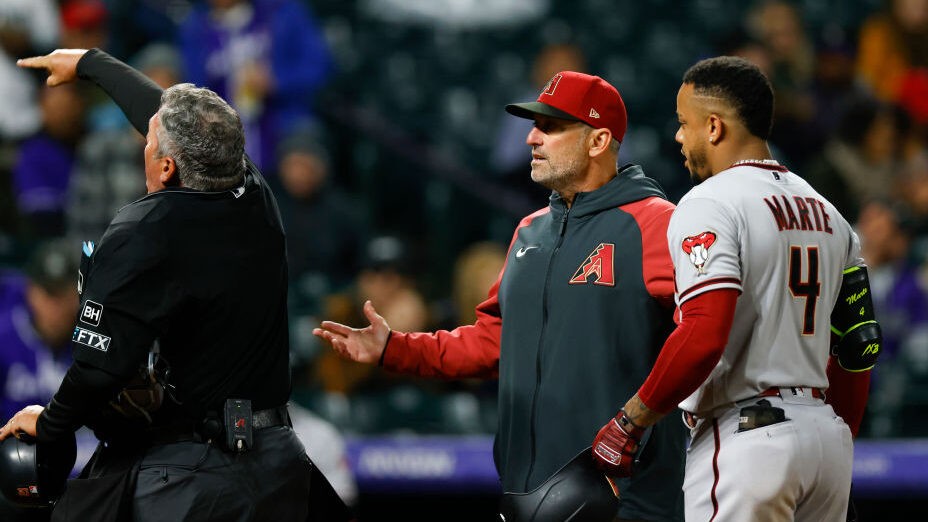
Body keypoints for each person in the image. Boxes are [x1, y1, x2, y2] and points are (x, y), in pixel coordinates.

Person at [315, 71, 686, 521]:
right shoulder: (529, 231)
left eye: (550, 127)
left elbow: (705, 337)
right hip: (525, 492)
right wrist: (395, 348)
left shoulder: (658, 223)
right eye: (534, 126)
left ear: (598, 140)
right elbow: (491, 342)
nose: (531, 138)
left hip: (625, 501)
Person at [1, 48, 325, 521]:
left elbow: (98, 370)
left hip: (193, 474)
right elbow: (171, 116)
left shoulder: (143, 232)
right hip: (278, 461)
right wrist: (92, 63)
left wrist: (50, 425)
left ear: (167, 167)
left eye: (149, 141)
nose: (144, 141)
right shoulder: (255, 192)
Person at [592, 56, 881, 521]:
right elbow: (859, 348)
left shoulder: (710, 202)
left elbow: (704, 333)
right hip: (825, 441)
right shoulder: (830, 215)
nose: (678, 137)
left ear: (714, 126)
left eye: (684, 124)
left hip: (749, 437)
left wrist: (631, 421)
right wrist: (834, 437)